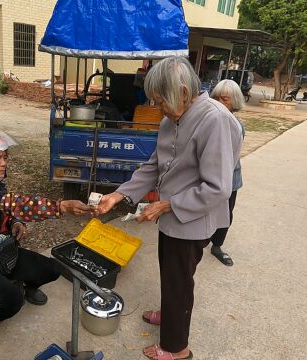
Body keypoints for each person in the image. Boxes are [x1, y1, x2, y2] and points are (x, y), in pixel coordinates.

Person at [94, 57, 242, 360]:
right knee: (172, 273)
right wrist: (119, 195)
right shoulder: (172, 118)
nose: (157, 107)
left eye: (161, 101)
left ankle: (176, 348)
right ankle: (170, 313)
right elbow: (153, 166)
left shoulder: (214, 119)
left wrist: (168, 204)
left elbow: (218, 187)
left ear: (184, 92)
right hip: (170, 215)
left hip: (192, 218)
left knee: (179, 280)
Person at [0, 129, 90, 351]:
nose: (3, 163)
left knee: (52, 269)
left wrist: (16, 222)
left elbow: (6, 208)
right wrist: (60, 206)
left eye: (5, 157)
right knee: (12, 300)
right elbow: (15, 203)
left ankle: (27, 285)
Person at [209, 79, 246, 266]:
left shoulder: (237, 126)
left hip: (230, 178)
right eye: (215, 98)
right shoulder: (207, 121)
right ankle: (200, 239)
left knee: (226, 213)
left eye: (224, 99)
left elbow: (229, 158)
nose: (218, 103)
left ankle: (217, 246)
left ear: (234, 101)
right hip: (207, 177)